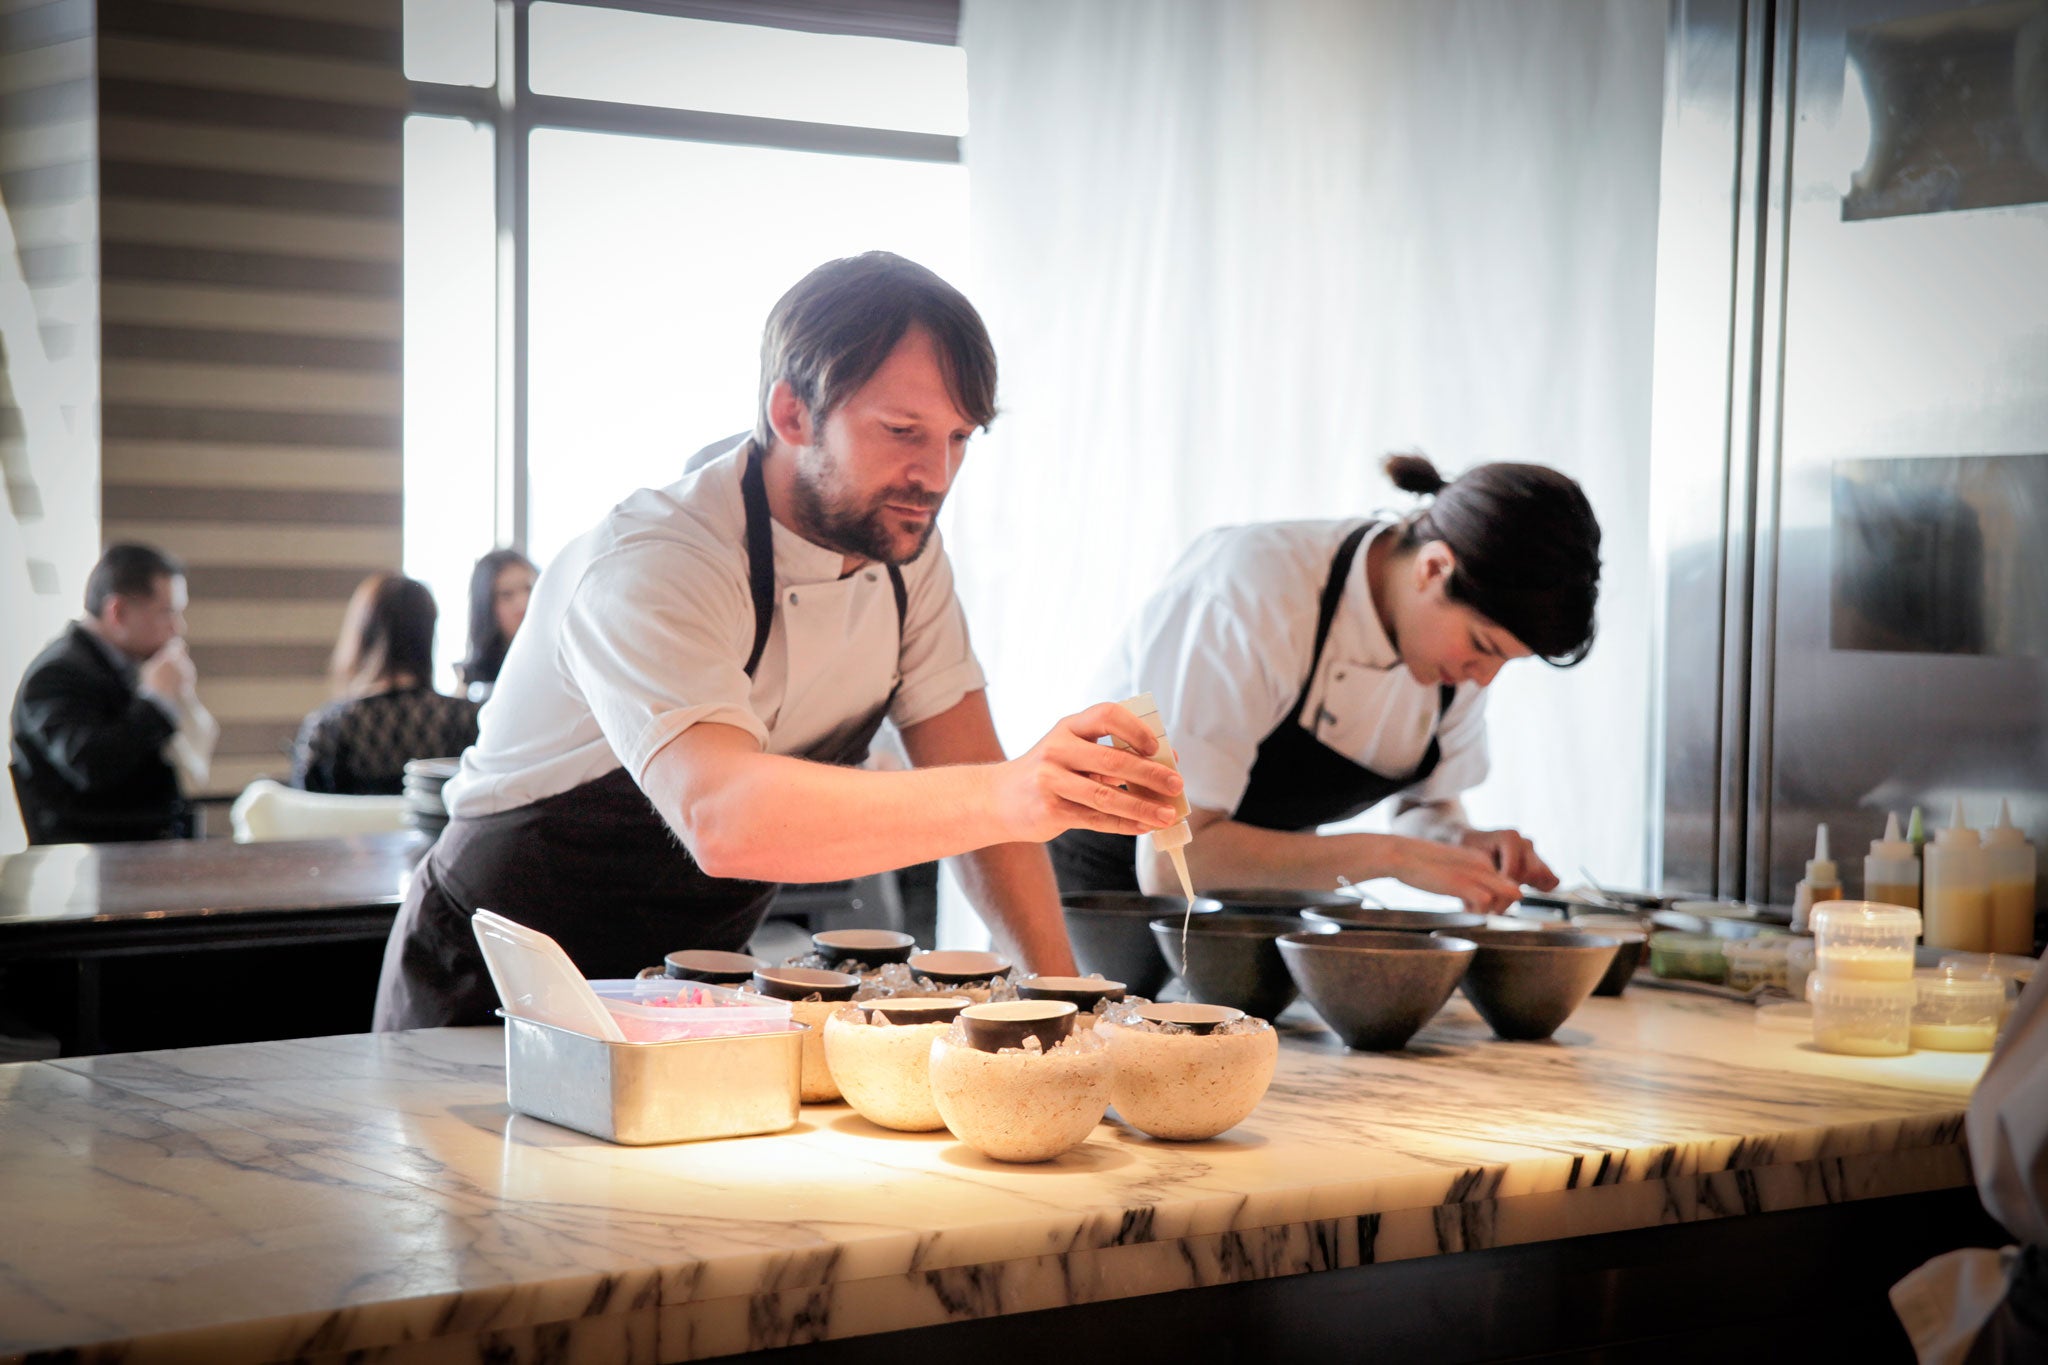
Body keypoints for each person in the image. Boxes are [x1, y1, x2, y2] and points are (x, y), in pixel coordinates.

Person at [372, 251, 1180, 1030]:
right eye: (903, 430)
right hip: (488, 993)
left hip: (689, 1001)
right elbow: (725, 819)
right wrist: (1016, 790)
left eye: (959, 437)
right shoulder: (655, 560)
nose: (935, 475)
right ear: (791, 412)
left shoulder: (908, 557)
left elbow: (974, 784)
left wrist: (1068, 1007)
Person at [1050, 454, 1602, 914]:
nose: (1484, 678)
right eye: (1484, 648)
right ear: (1433, 569)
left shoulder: (1451, 663)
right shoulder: (1254, 595)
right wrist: (1392, 857)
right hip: (1102, 896)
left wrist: (1462, 844)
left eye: (1508, 660)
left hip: (1250, 915)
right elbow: (1173, 864)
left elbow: (1425, 809)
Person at [9, 543, 218, 843]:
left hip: (148, 847)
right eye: (168, 613)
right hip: (96, 861)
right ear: (118, 612)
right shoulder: (55, 674)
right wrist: (155, 703)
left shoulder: (128, 663)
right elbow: (91, 767)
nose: (178, 628)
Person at [291, 573, 481, 796]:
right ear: (427, 634)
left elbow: (306, 812)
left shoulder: (330, 727)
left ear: (363, 633)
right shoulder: (466, 718)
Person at [457, 549, 537, 702]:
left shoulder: (561, 661)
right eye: (507, 595)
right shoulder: (471, 680)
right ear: (486, 606)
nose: (523, 604)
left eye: (529, 589)